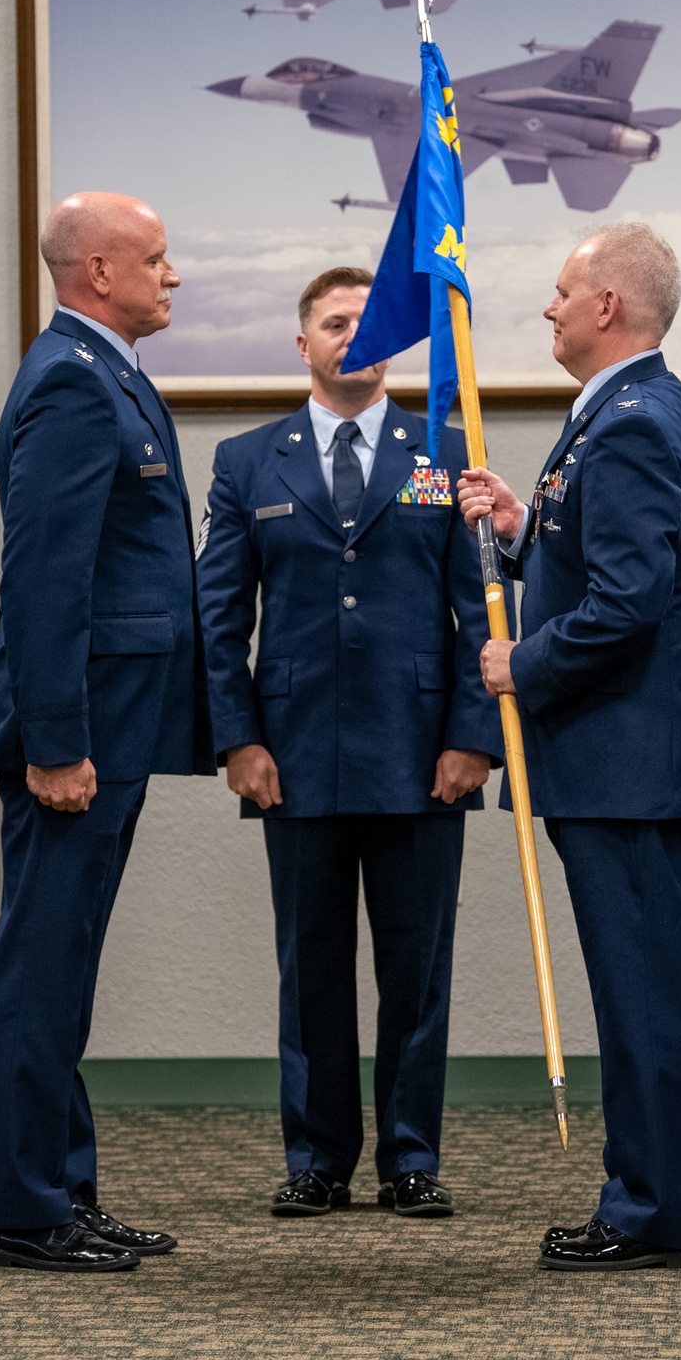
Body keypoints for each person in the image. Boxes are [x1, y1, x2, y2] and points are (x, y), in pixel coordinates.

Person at [458, 224, 681, 1271]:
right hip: (629, 760)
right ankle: (649, 1204)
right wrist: (518, 534)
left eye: (561, 292)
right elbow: (607, 565)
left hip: (631, 765)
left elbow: (628, 604)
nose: (549, 308)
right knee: (642, 996)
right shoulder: (626, 414)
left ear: (609, 308)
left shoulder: (627, 424)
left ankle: (653, 1218)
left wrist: (518, 666)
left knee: (645, 1000)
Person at [196, 267, 504, 1219]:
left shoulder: (448, 453)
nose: (352, 340)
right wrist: (236, 740)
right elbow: (216, 619)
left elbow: (481, 612)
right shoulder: (249, 462)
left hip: (424, 759)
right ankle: (318, 1156)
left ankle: (411, 1156)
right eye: (335, 325)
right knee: (312, 966)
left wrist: (473, 739)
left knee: (417, 971)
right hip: (290, 758)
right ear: (303, 345)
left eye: (368, 326)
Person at [0, 192, 216, 1272]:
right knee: (41, 970)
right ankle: (25, 1211)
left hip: (109, 727)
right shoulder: (73, 380)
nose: (175, 276)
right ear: (100, 271)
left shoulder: (101, 366)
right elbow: (45, 581)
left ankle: (64, 1188)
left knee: (65, 970)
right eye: (158, 260)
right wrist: (56, 742)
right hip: (73, 739)